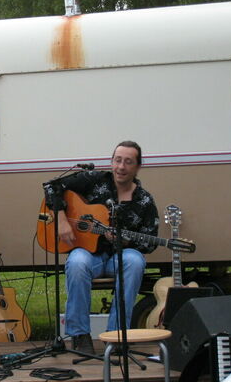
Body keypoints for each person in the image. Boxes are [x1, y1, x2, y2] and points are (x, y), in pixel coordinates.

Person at [43, 141, 159, 354]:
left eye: (128, 162)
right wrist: (61, 221)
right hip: (89, 255)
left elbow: (150, 240)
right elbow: (52, 186)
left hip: (119, 258)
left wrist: (125, 241)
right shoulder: (95, 180)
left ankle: (117, 335)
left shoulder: (144, 200)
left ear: (138, 167)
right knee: (77, 261)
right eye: (117, 160)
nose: (121, 167)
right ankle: (80, 335)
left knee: (135, 261)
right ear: (111, 161)